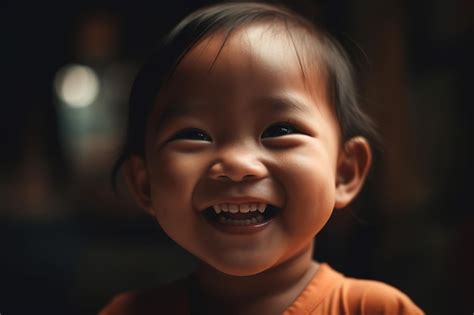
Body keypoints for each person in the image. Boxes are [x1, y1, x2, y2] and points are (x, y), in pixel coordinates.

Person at [100, 2, 424, 314]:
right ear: (144, 184)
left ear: (344, 171)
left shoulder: (377, 310)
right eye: (195, 135)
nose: (238, 165)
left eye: (280, 130)